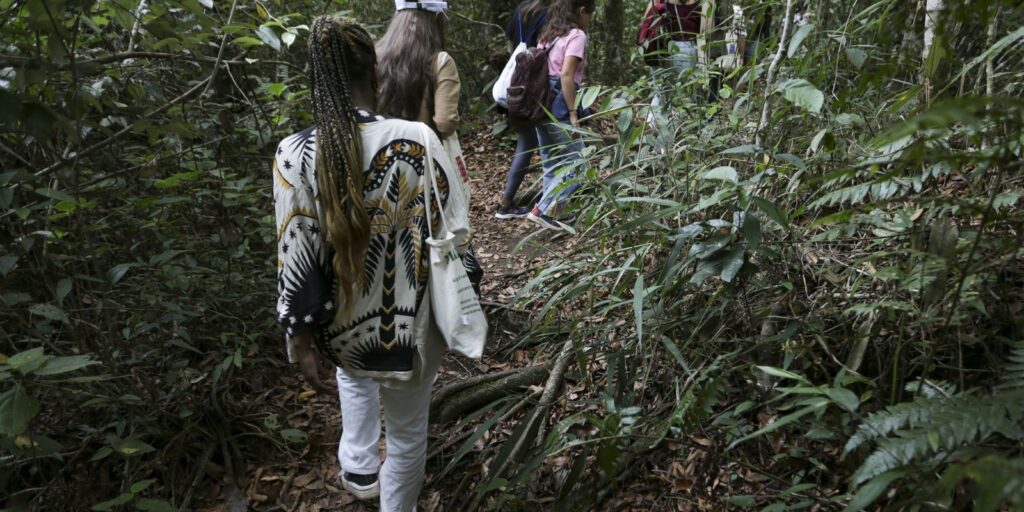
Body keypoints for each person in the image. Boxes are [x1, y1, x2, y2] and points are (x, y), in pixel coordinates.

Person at [273, 14, 471, 511]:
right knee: (407, 436)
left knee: (354, 377)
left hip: (342, 329)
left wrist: (300, 339)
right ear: (375, 74)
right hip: (413, 329)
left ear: (316, 82)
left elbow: (296, 253)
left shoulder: (294, 153)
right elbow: (455, 232)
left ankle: (358, 471)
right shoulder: (420, 139)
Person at [525, 0, 596, 233]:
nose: (590, 20)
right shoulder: (577, 35)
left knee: (552, 163)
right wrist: (573, 112)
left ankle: (550, 214)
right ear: (581, 11)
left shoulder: (549, 35)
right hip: (559, 103)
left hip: (540, 102)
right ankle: (543, 210)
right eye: (589, 14)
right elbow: (566, 75)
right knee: (578, 163)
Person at [495, 0, 550, 220]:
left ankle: (510, 201)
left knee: (526, 140)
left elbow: (511, 43)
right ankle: (507, 202)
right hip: (535, 82)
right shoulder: (548, 14)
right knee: (531, 142)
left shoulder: (521, 10)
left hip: (516, 80)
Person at [377, 0, 460, 140]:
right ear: (435, 17)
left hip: (382, 151)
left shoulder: (376, 55)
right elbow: (446, 123)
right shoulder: (440, 61)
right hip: (423, 153)